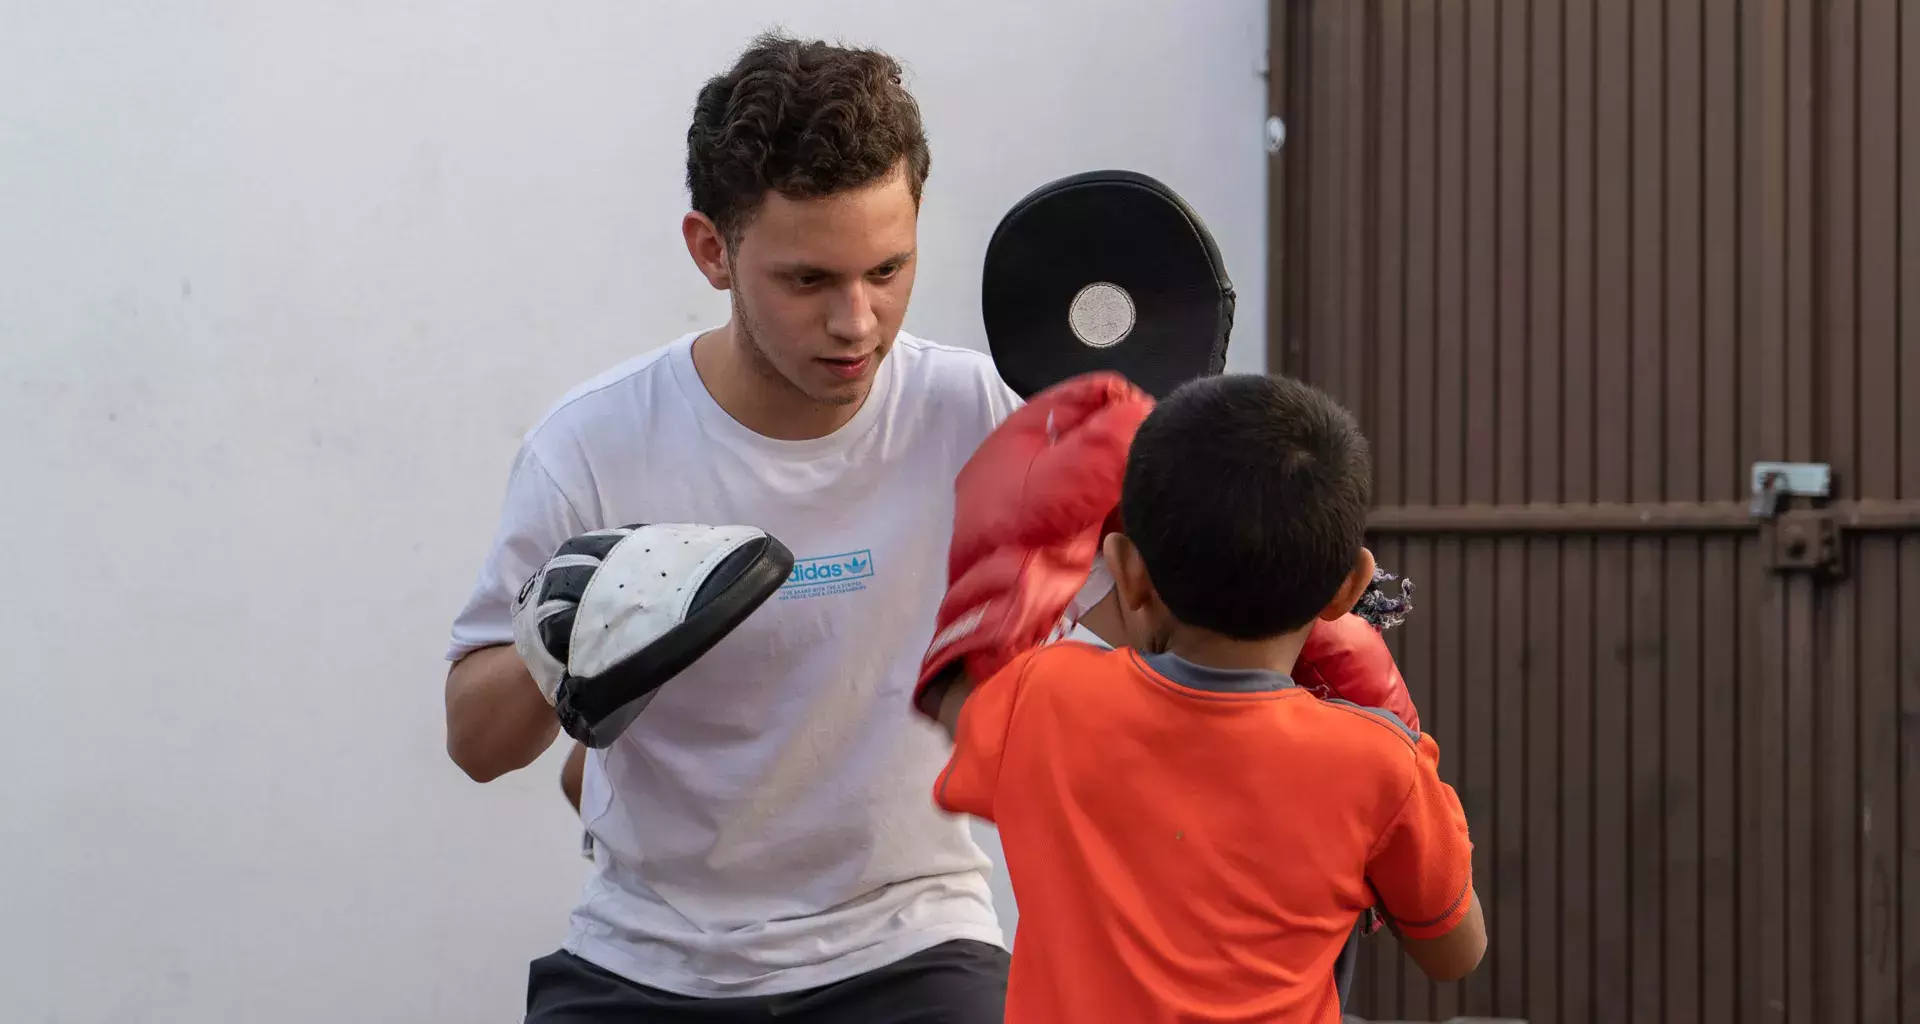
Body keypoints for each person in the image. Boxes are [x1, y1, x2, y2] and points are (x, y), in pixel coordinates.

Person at [446, 31, 1418, 1023]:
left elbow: (1173, 631)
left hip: (909, 943)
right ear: (712, 250)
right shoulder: (596, 444)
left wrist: (1322, 673)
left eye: (887, 269)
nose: (858, 321)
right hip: (648, 957)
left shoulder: (987, 417)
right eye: (809, 281)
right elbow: (476, 742)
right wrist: (572, 631)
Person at [912, 372, 1487, 1023]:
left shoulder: (1043, 700)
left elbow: (953, 699)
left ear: (1126, 571)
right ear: (1349, 588)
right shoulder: (1382, 764)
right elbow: (1455, 955)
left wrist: (1009, 544)